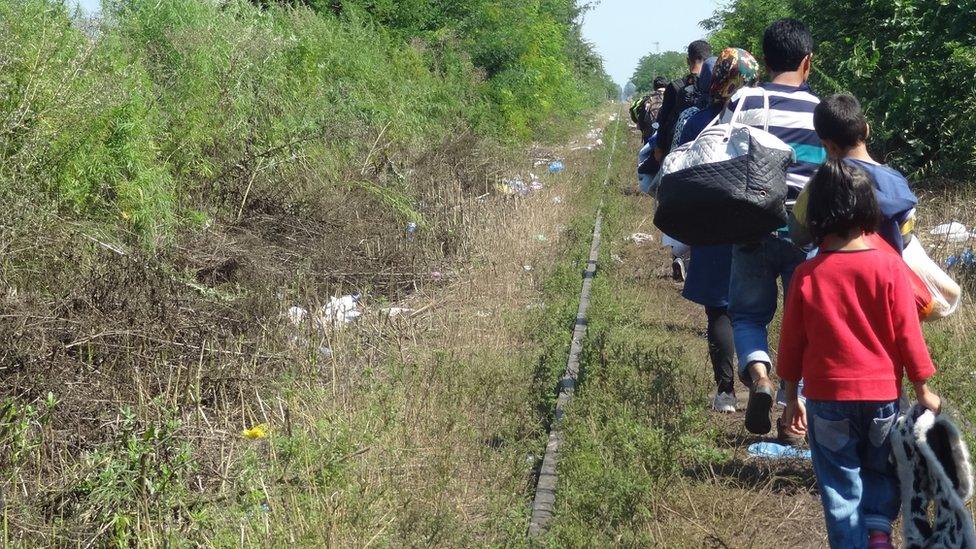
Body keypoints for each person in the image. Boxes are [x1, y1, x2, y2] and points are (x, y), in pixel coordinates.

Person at [777, 159, 941, 549]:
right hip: (882, 396)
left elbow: (792, 342)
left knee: (839, 483)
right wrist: (922, 389)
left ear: (815, 215)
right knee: (882, 470)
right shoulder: (889, 268)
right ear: (869, 209)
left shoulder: (807, 274)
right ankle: (879, 529)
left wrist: (789, 396)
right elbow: (907, 334)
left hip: (826, 401)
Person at [720, 19, 827, 443]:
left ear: (764, 61)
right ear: (807, 62)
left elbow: (719, 151)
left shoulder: (744, 98)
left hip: (752, 223)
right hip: (806, 232)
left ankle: (760, 376)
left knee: (747, 314)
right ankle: (793, 407)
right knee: (805, 326)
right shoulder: (820, 110)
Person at [677, 47, 760, 413]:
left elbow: (679, 171)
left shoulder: (696, 122)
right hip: (755, 224)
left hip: (711, 228)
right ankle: (765, 378)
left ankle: (726, 392)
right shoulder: (761, 121)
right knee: (757, 309)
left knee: (719, 310)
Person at [792, 93, 918, 252]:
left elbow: (797, 234)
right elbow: (905, 239)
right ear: (866, 129)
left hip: (836, 273)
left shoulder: (824, 181)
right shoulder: (897, 181)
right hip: (883, 273)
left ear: (828, 146)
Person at [653, 40, 712, 162]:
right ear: (709, 59)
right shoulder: (718, 85)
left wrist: (659, 148)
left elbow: (663, 121)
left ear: (687, 60)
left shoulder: (675, 86)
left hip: (677, 153)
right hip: (709, 150)